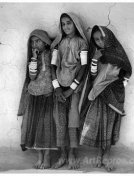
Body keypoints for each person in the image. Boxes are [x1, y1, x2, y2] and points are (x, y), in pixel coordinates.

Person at [79, 25, 132, 172]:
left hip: (114, 94)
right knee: (98, 123)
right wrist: (95, 60)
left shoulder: (119, 53)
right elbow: (93, 75)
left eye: (102, 38)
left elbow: (127, 70)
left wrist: (122, 85)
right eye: (96, 40)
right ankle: (99, 153)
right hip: (98, 93)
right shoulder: (97, 54)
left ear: (108, 36)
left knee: (109, 124)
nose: (100, 42)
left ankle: (107, 155)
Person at [50, 12, 89, 169]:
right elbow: (53, 66)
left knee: (73, 120)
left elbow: (84, 67)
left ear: (76, 24)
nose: (66, 26)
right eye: (63, 24)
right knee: (60, 121)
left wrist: (71, 89)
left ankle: (72, 154)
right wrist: (57, 87)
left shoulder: (82, 44)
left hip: (75, 88)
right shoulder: (58, 44)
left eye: (69, 23)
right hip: (59, 88)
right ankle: (63, 155)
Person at [17, 29, 57, 169]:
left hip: (48, 96)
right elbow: (32, 77)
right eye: (32, 42)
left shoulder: (52, 54)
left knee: (46, 127)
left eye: (38, 41)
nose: (34, 44)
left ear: (45, 42)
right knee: (35, 127)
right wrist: (34, 58)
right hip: (34, 96)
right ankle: (39, 156)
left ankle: (47, 156)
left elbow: (54, 72)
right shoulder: (33, 58)